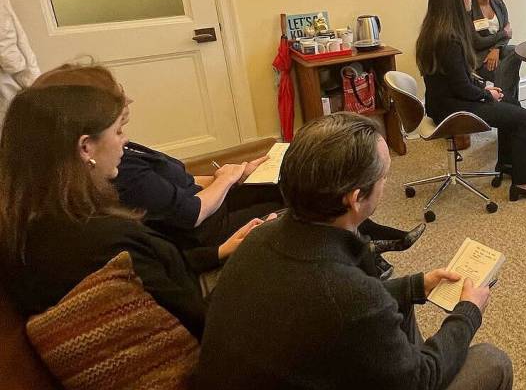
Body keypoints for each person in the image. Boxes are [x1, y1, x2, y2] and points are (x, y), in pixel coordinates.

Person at [191, 113, 526, 390]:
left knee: (403, 303)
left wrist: (414, 285)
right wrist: (467, 313)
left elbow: (329, 313)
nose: (386, 184)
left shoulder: (263, 239)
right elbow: (413, 381)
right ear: (355, 198)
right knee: (493, 364)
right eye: (384, 177)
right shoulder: (347, 295)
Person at [31, 64, 424, 278]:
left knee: (285, 184)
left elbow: (178, 180)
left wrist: (232, 173)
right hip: (204, 226)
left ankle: (370, 245)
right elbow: (181, 233)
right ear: (85, 146)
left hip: (205, 206)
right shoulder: (116, 193)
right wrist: (225, 187)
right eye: (118, 128)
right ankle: (366, 255)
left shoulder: (115, 165)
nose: (124, 136)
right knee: (300, 198)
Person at [0, 85, 260, 337]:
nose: (125, 142)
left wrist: (217, 252)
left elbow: (152, 273)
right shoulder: (103, 238)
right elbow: (200, 321)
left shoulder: (34, 221)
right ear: (85, 147)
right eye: (118, 132)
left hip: (194, 276)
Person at [416, 0, 526, 201]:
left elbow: (458, 79)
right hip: (452, 109)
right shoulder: (450, 40)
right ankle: (523, 184)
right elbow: (463, 89)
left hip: (442, 102)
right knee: (524, 117)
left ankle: (509, 165)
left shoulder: (433, 31)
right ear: (453, 0)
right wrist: (486, 95)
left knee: (511, 103)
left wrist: (485, 87)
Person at [468, 0, 522, 103]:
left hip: (499, 51)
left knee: (518, 50)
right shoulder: (469, 8)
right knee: (511, 72)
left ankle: (507, 104)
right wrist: (502, 33)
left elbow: (508, 35)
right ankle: (510, 105)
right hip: (480, 58)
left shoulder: (499, 4)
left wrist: (496, 49)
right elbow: (477, 41)